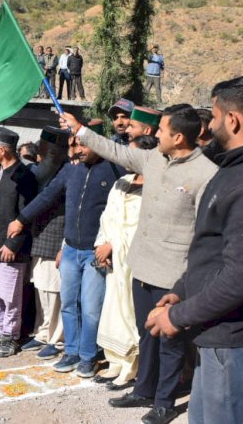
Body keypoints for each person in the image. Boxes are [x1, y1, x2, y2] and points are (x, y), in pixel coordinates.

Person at [59, 104, 217, 424]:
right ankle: (144, 389)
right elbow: (113, 149)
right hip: (142, 265)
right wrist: (80, 130)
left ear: (179, 136)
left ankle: (164, 401)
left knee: (170, 340)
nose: (155, 134)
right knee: (145, 333)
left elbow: (208, 233)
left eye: (161, 130)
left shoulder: (207, 174)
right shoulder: (154, 157)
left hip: (174, 273)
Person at [146, 76, 243, 424]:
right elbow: (212, 249)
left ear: (233, 120)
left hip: (236, 341)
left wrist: (176, 318)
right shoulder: (234, 171)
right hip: (216, 334)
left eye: (212, 115)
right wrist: (180, 292)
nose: (207, 125)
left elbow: (239, 277)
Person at [8, 120, 121, 378]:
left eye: (84, 144)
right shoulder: (71, 171)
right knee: (69, 303)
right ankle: (71, 352)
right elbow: (47, 197)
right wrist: (21, 220)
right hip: (70, 249)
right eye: (76, 144)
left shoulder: (115, 170)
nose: (78, 149)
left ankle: (88, 356)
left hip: (95, 253)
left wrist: (112, 244)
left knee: (91, 307)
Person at [94, 135, 158, 391]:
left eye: (131, 154)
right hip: (114, 260)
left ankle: (132, 367)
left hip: (135, 260)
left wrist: (116, 245)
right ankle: (116, 361)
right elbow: (107, 216)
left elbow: (144, 226)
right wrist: (103, 244)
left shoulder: (154, 185)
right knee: (112, 310)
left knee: (131, 312)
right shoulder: (121, 182)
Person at [0, 127, 37, 357]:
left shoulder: (24, 176)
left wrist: (14, 244)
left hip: (9, 244)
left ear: (2, 150)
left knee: (9, 294)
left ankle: (11, 335)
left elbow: (26, 215)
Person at [20, 126, 70, 360]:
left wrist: (21, 220)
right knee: (41, 286)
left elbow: (47, 199)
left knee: (54, 291)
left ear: (56, 152)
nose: (40, 155)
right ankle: (42, 333)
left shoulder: (63, 172)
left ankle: (56, 338)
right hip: (40, 235)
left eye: (46, 151)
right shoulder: (44, 173)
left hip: (55, 236)